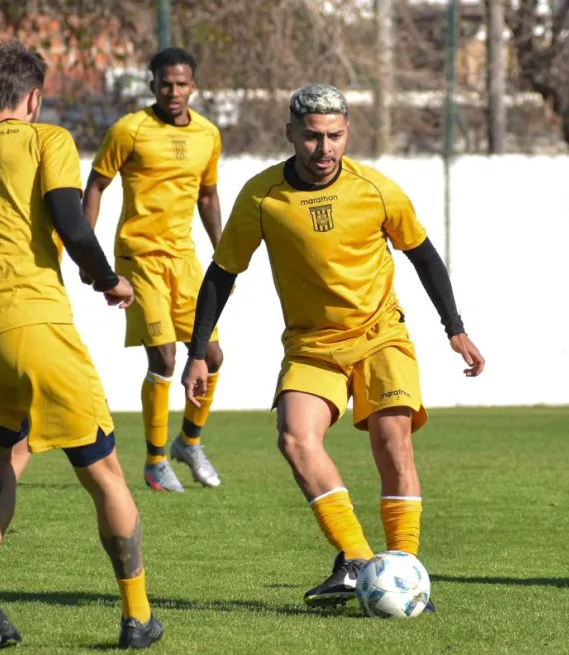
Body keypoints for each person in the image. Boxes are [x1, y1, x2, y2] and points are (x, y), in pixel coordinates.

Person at [0, 42, 163, 649]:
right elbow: (72, 222)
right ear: (34, 99)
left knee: (5, 455)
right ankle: (138, 616)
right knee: (105, 472)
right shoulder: (46, 140)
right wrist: (109, 280)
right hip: (34, 329)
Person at [180, 83, 485, 610]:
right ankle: (358, 560)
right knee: (295, 438)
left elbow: (423, 255)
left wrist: (454, 327)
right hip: (311, 346)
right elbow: (222, 272)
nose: (324, 149)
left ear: (347, 133)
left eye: (335, 136)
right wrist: (196, 350)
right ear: (290, 134)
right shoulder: (261, 196)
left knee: (393, 442)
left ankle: (406, 570)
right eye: (313, 137)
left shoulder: (376, 189)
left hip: (380, 336)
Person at [82, 47, 224, 493]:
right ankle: (156, 460)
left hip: (184, 260)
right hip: (139, 258)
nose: (173, 92)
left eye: (181, 84)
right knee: (164, 356)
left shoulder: (208, 134)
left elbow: (207, 195)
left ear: (193, 86)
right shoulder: (130, 130)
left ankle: (189, 443)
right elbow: (96, 184)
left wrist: (225, 256)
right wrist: (87, 252)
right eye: (166, 84)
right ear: (152, 85)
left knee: (212, 357)